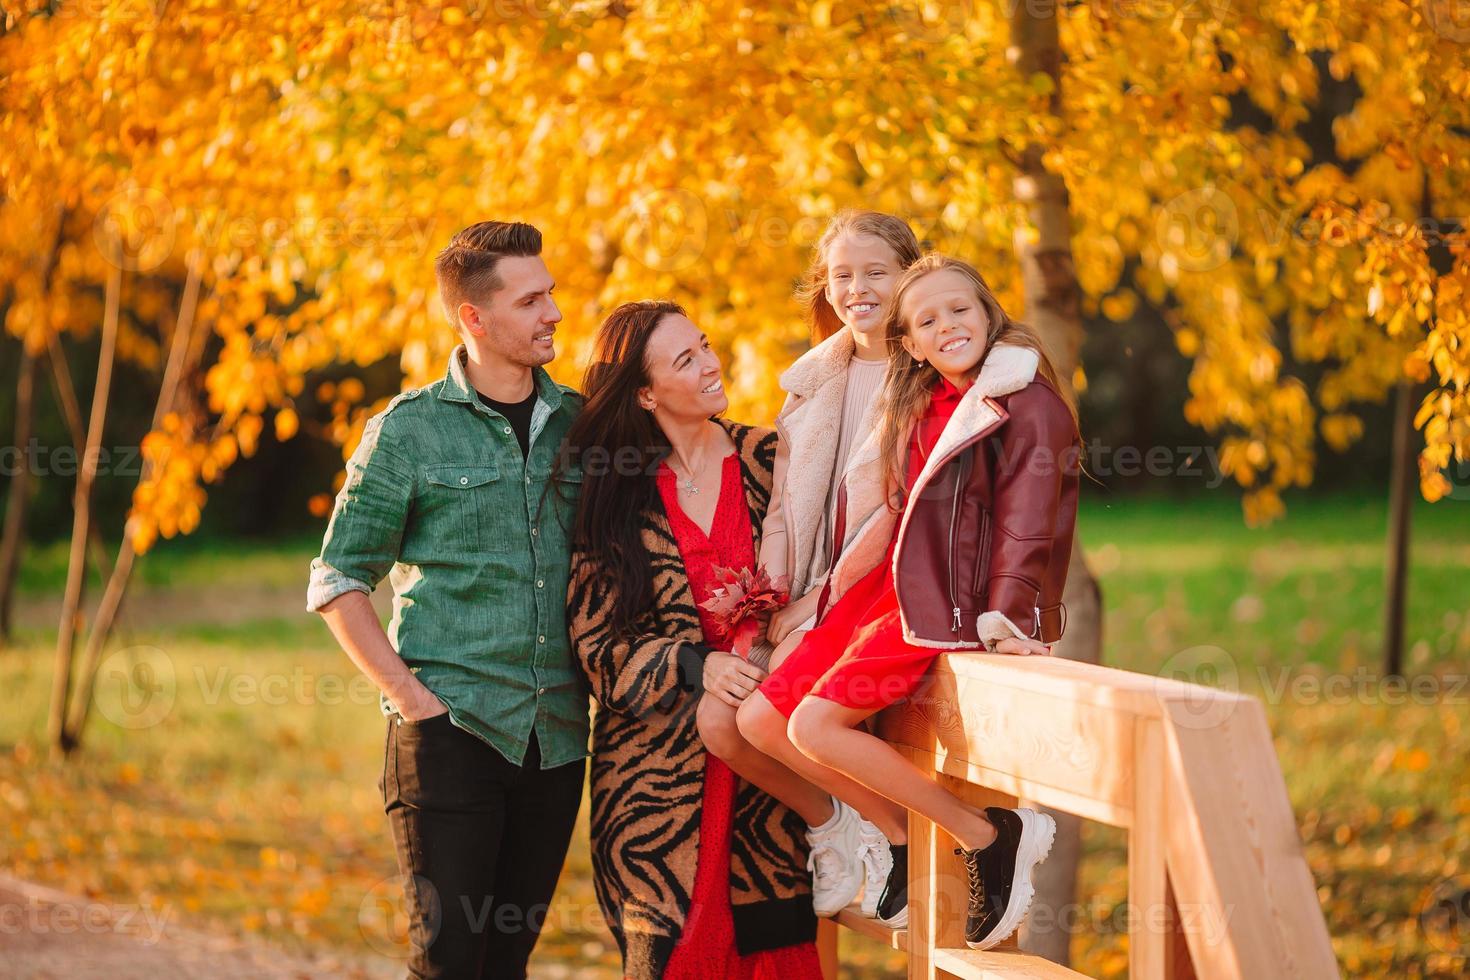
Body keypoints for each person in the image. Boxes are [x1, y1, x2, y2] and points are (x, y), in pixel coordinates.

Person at [737, 253, 1083, 950]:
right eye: (927, 320)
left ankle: (987, 836)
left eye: (961, 309)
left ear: (989, 312)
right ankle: (898, 839)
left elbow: (1028, 520)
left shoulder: (1027, 402)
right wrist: (820, 599)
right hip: (880, 592)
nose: (948, 326)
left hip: (945, 605)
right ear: (912, 343)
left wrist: (1009, 616)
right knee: (763, 722)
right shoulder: (923, 399)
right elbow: (891, 516)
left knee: (816, 729)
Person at [308, 221, 587, 979]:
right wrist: (410, 698)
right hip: (451, 732)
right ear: (474, 317)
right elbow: (338, 578)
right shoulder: (407, 432)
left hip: (557, 738)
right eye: (531, 300)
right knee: (450, 961)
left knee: (508, 960)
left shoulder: (582, 425)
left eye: (551, 294)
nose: (553, 313)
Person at [564, 301, 823, 980]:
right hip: (657, 787)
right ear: (644, 393)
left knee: (776, 954)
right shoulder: (614, 491)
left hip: (769, 772)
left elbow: (824, 576)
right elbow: (598, 643)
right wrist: (692, 664)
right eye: (686, 359)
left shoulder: (772, 458)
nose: (711, 363)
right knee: (677, 960)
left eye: (704, 346)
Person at [694, 210, 924, 924]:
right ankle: (835, 822)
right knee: (719, 722)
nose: (857, 289)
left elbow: (894, 511)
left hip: (864, 594)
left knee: (765, 717)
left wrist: (817, 603)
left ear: (909, 277)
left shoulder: (924, 377)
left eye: (876, 273)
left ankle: (889, 830)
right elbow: (786, 511)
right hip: (799, 587)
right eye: (843, 275)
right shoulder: (814, 380)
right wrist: (770, 594)